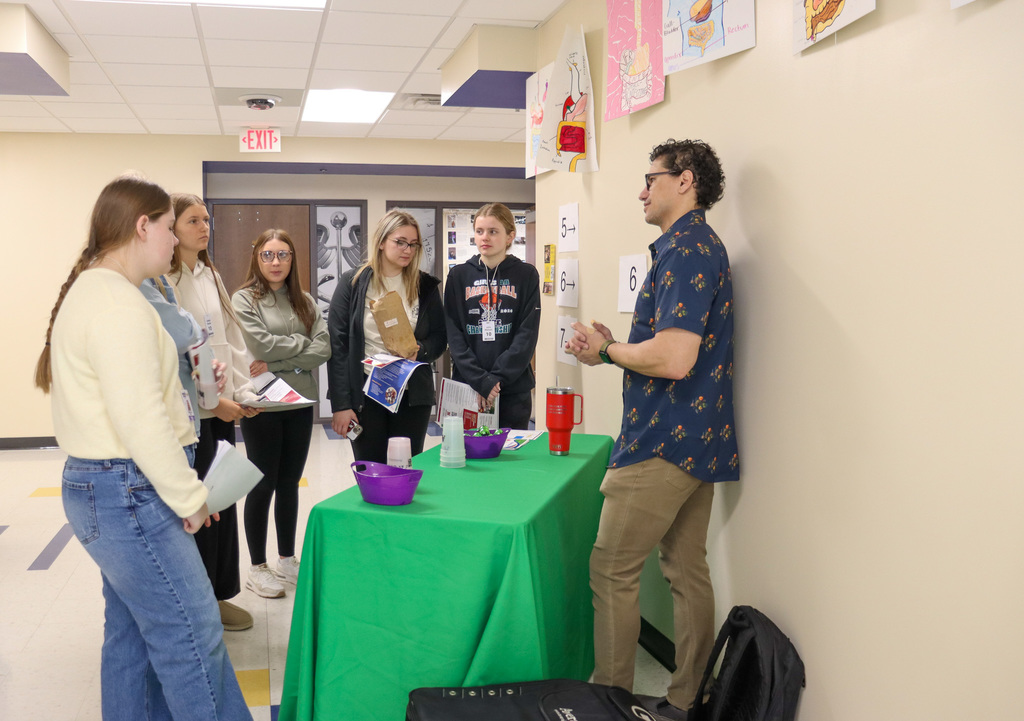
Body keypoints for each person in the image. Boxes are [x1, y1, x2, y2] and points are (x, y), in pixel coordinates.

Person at [34, 174, 251, 720]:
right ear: (142, 226)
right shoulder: (118, 304)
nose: (176, 241)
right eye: (169, 228)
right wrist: (189, 497)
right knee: (193, 633)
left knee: (130, 635)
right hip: (129, 489)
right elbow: (140, 419)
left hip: (107, 486)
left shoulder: (99, 292)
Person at [566, 139, 740, 721]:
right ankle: (688, 701)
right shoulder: (698, 247)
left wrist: (607, 349)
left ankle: (610, 704)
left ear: (684, 180)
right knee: (687, 570)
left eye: (650, 179)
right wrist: (611, 348)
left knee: (611, 569)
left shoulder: (687, 250)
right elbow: (672, 347)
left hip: (662, 442)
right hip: (698, 439)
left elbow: (673, 358)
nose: (641, 191)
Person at [167, 193, 260, 632]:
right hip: (191, 415)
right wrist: (213, 403)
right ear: (171, 228)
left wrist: (245, 392)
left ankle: (219, 596)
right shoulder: (164, 282)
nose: (204, 227)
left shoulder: (211, 275)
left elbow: (230, 342)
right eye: (193, 220)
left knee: (222, 503)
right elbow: (183, 353)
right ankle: (198, 601)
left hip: (221, 408)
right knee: (198, 511)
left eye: (206, 220)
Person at [232, 229, 330, 599]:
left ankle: (287, 559)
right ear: (257, 258)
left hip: (299, 403)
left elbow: (324, 348)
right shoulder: (244, 299)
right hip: (264, 405)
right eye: (268, 255)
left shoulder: (305, 301)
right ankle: (257, 568)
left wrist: (280, 360)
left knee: (289, 483)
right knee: (263, 484)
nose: (276, 262)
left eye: (283, 255)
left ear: (292, 259)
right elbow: (259, 345)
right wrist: (301, 348)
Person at [327, 209, 447, 463]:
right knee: (371, 468)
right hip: (366, 392)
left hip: (412, 394)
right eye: (400, 242)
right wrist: (341, 404)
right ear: (381, 242)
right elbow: (338, 347)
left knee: (406, 467)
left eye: (413, 244)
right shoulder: (353, 283)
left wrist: (420, 349)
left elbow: (439, 337)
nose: (407, 250)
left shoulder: (425, 286)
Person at [444, 203, 540, 430]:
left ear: (510, 236)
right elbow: (454, 335)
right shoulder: (458, 276)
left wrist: (495, 380)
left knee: (511, 450)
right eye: (479, 231)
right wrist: (480, 380)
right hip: (468, 387)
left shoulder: (526, 275)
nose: (484, 237)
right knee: (467, 450)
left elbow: (526, 335)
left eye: (493, 231)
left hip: (512, 389)